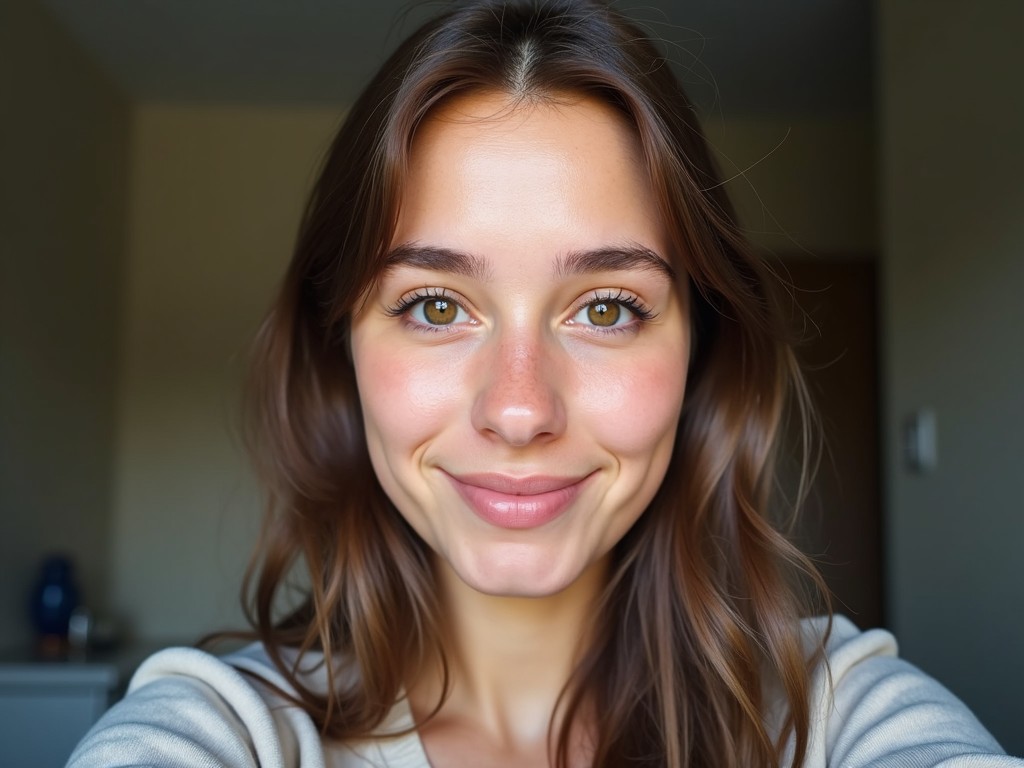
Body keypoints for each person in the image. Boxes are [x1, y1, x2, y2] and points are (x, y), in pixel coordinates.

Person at [67, 1, 1020, 767]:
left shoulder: (832, 711)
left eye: (606, 308)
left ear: (702, 352)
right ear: (340, 348)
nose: (519, 409)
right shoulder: (224, 726)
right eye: (436, 306)